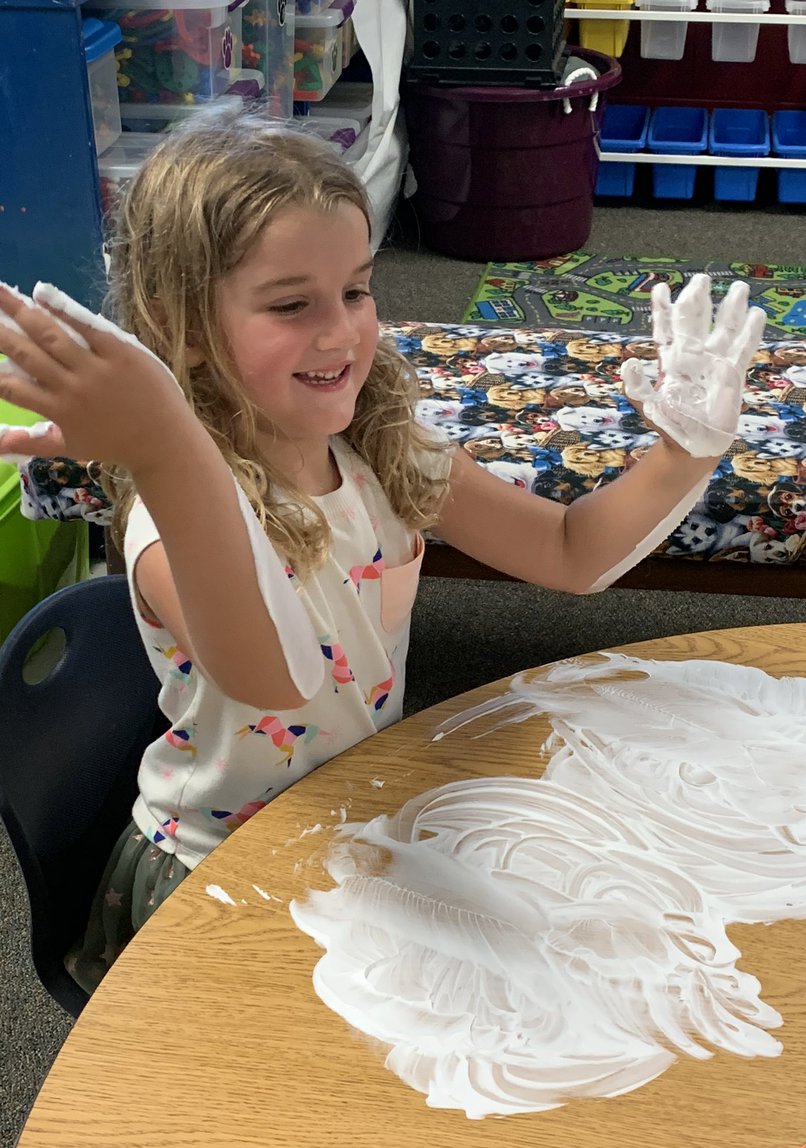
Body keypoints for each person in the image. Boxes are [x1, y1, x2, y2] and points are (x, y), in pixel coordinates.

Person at [0, 109, 765, 994]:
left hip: (359, 828)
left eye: (356, 291)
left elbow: (568, 551)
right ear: (187, 329)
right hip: (220, 879)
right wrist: (169, 446)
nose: (340, 333)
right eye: (292, 305)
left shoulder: (380, 452)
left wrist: (686, 455)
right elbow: (280, 680)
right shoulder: (172, 524)